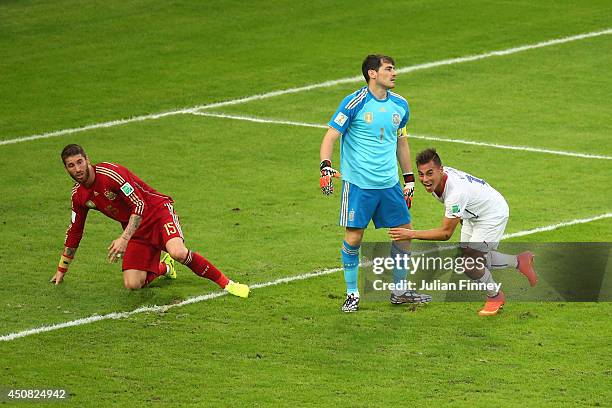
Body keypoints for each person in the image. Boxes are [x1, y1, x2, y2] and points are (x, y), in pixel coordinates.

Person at [52, 144, 249, 298]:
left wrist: (124, 238)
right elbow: (75, 230)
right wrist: (62, 269)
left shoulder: (112, 174)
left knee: (178, 252)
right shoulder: (78, 196)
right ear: (66, 169)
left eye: (80, 162)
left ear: (88, 160)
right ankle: (165, 268)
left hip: (157, 213)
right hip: (136, 230)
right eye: (71, 165)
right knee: (132, 284)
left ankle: (227, 284)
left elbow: (139, 205)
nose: (77, 169)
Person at [319, 54, 431, 312]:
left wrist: (409, 178)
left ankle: (399, 290)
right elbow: (331, 136)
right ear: (372, 73)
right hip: (359, 184)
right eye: (389, 69)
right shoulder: (354, 103)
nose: (394, 73)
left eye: (394, 69)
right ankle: (352, 293)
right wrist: (325, 165)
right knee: (355, 236)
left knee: (404, 232)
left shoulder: (400, 106)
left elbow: (401, 141)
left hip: (389, 184)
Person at [389, 148, 537, 315]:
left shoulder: (455, 193)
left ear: (440, 169)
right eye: (421, 174)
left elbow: (445, 233)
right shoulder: (439, 182)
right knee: (471, 258)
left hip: (492, 214)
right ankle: (520, 261)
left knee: (470, 264)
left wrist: (411, 234)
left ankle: (495, 296)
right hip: (472, 213)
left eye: (429, 173)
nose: (425, 179)